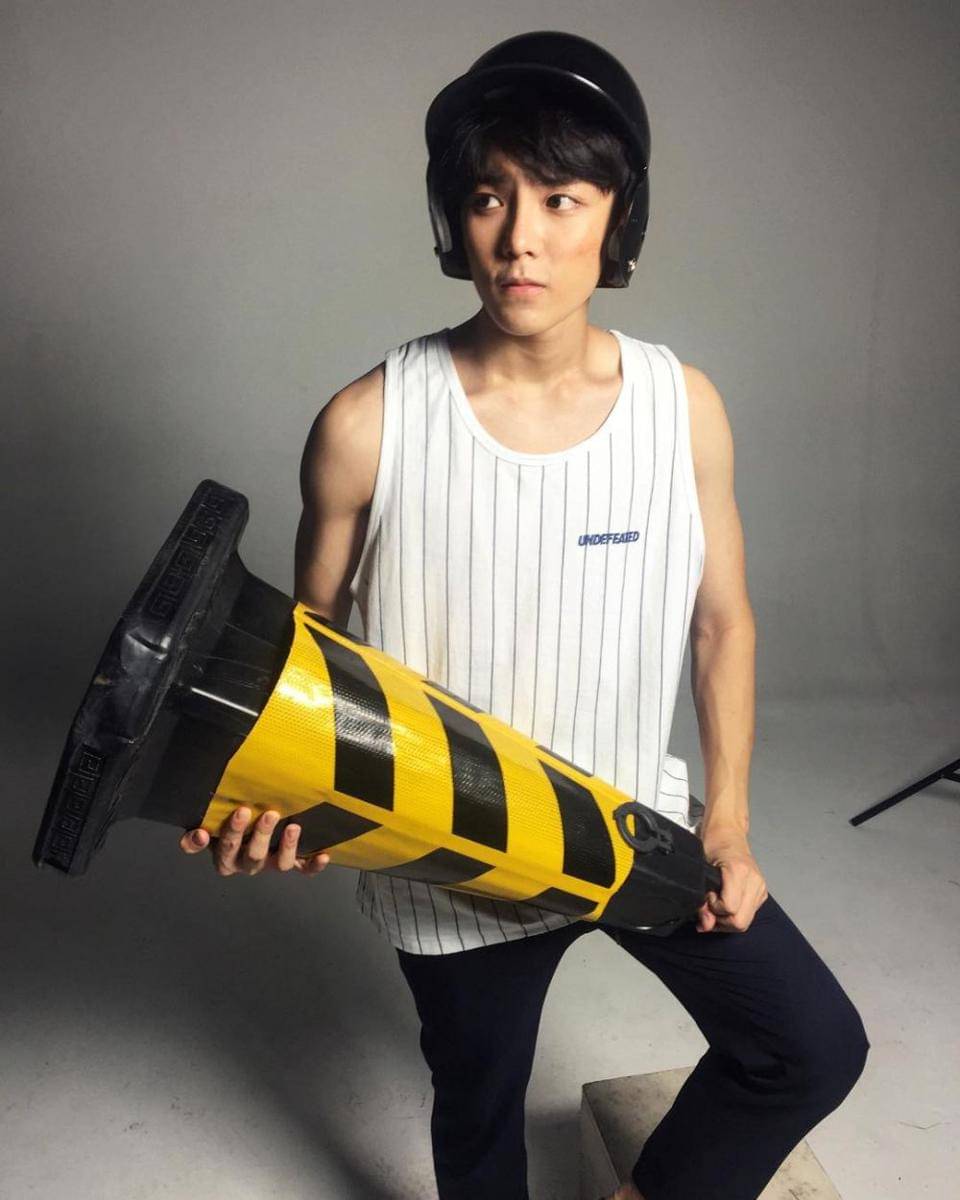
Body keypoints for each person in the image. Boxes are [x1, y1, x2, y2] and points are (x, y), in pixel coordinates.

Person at [180, 31, 869, 1200]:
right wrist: (269, 801)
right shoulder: (365, 426)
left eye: (560, 198)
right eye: (490, 196)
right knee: (479, 1123)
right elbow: (309, 669)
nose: (521, 238)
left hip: (633, 822)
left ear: (617, 215)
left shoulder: (683, 409)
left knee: (810, 1047)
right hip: (443, 857)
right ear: (457, 216)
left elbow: (722, 625)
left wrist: (730, 827)